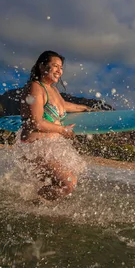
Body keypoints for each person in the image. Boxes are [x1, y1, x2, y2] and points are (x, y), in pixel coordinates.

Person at [19, 50, 91, 201]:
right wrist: (62, 129)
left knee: (72, 176)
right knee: (67, 183)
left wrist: (83, 108)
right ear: (41, 66)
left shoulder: (54, 90)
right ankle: (33, 204)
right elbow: (36, 121)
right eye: (55, 66)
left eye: (61, 67)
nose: (59, 70)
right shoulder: (35, 87)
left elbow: (63, 106)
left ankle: (36, 205)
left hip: (53, 145)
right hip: (36, 147)